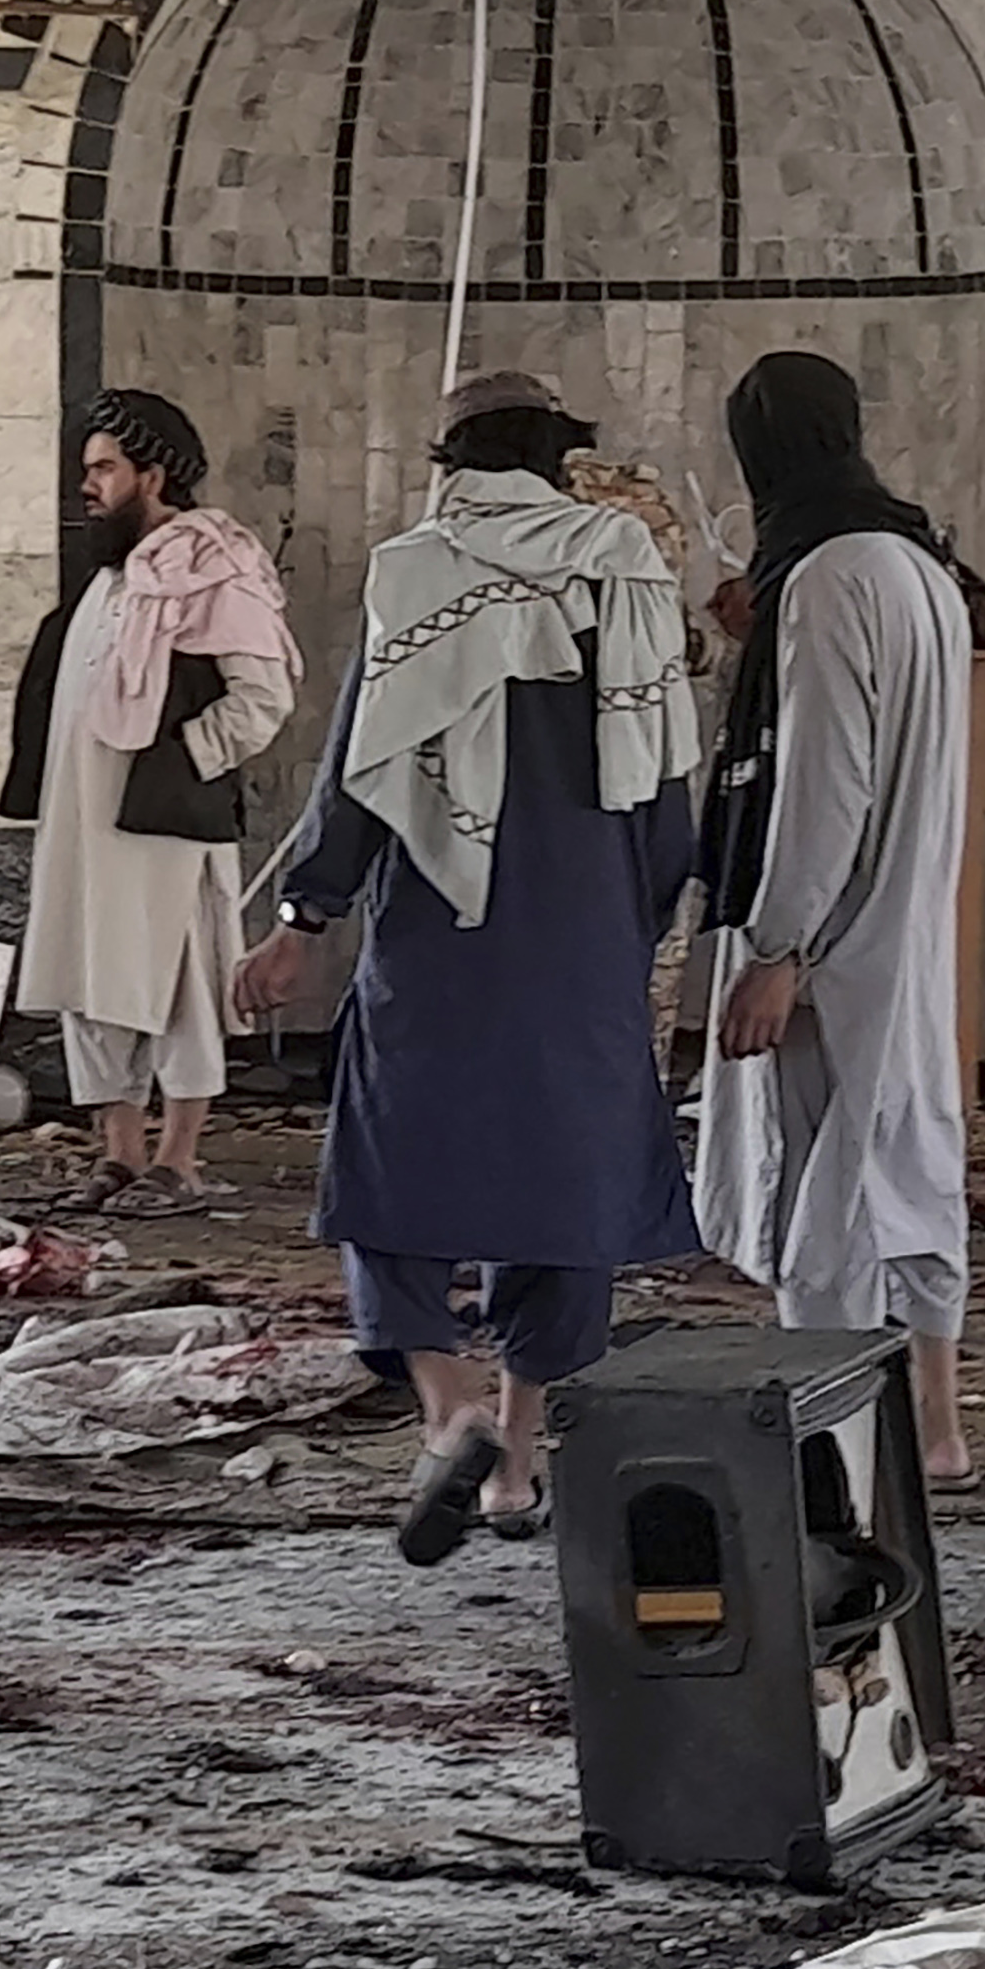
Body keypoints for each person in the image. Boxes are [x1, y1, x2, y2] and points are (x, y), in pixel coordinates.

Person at [232, 370, 703, 1557]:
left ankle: (449, 1409)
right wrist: (636, 921)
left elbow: (361, 766)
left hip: (441, 926)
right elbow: (663, 773)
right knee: (564, 1189)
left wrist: (303, 914)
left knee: (393, 1166)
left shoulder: (419, 568)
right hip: (583, 924)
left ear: (454, 461)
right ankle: (518, 1464)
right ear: (559, 457)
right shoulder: (623, 566)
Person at [690, 349, 981, 1488]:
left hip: (837, 941)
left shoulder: (825, 579)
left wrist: (777, 951)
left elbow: (824, 783)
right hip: (905, 927)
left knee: (828, 1196)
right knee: (911, 1164)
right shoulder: (917, 561)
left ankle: (833, 1454)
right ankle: (942, 1429)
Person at [0, 388, 299, 1218]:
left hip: (163, 823)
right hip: (85, 818)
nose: (87, 485)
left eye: (104, 468)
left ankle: (180, 1158)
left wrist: (181, 764)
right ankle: (121, 1155)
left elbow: (263, 697)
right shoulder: (110, 579)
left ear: (153, 472)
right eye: (85, 469)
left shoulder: (214, 565)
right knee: (89, 974)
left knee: (179, 985)